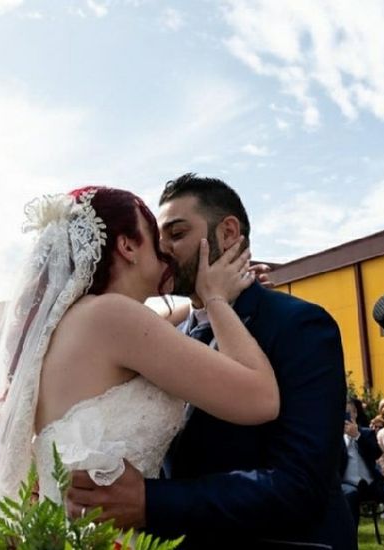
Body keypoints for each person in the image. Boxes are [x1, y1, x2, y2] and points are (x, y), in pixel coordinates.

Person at [0, 186, 279, 549]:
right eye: (155, 235)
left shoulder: (69, 325)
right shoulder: (114, 318)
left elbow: (162, 323)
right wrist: (215, 298)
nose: (166, 249)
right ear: (128, 246)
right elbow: (260, 399)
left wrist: (202, 302)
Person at [66, 174, 354, 549]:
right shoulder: (161, 337)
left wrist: (150, 502)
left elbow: (299, 484)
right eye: (158, 238)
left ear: (229, 233)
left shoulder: (300, 325)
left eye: (177, 233)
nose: (164, 249)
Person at [341, 398, 384, 550]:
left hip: (371, 483)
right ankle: (351, 545)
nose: (346, 416)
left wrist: (357, 436)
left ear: (354, 414)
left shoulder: (366, 433)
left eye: (348, 413)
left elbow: (376, 453)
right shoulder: (334, 438)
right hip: (348, 485)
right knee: (349, 495)